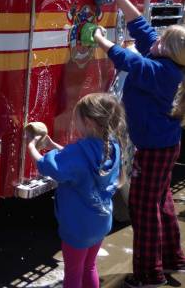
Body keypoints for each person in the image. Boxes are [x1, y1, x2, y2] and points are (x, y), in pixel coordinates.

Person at [93, 0, 185, 288]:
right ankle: (174, 259)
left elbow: (127, 60)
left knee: (144, 209)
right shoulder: (168, 61)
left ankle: (150, 275)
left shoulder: (160, 70)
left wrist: (99, 38)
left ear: (168, 49)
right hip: (165, 146)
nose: (153, 39)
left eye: (161, 39)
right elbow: (140, 26)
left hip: (154, 149)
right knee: (162, 202)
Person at [27, 93, 125, 288]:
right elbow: (80, 164)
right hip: (100, 221)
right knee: (89, 266)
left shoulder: (79, 152)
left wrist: (30, 144)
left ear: (88, 122)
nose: (75, 123)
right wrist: (52, 145)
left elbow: (49, 167)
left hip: (78, 226)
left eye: (76, 119)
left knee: (73, 272)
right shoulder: (112, 145)